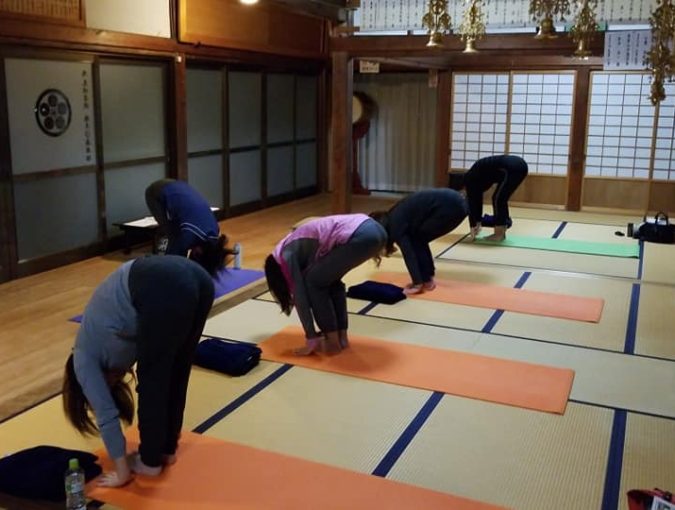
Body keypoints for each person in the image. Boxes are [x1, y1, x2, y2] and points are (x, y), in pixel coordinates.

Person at [62, 255, 215, 487]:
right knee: (176, 372)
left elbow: (106, 415)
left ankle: (151, 462)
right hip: (198, 277)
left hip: (159, 282)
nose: (114, 383)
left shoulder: (82, 360)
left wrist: (122, 471)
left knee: (154, 379)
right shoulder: (105, 347)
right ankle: (167, 450)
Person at [264, 214, 387, 356]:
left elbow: (300, 299)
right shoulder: (292, 246)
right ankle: (342, 339)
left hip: (361, 234)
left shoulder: (284, 257)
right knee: (330, 281)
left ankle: (332, 342)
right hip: (375, 229)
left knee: (313, 282)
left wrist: (311, 337)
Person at [369, 188, 468, 295]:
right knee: (418, 238)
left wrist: (416, 283)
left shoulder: (395, 227)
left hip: (451, 206)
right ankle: (427, 279)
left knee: (417, 239)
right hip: (457, 201)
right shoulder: (393, 217)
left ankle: (424, 281)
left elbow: (409, 253)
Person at [145, 178, 232, 275]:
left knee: (176, 234)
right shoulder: (190, 235)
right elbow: (175, 254)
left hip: (179, 187)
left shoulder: (214, 234)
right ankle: (157, 265)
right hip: (157, 191)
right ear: (199, 252)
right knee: (170, 233)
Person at [459, 155, 528, 242]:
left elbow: (473, 203)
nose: (462, 196)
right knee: (500, 198)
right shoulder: (474, 178)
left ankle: (499, 234)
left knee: (498, 199)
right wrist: (477, 221)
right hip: (519, 166)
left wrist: (473, 225)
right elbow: (477, 200)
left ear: (461, 188)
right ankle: (503, 227)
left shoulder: (470, 180)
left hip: (512, 167)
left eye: (461, 194)